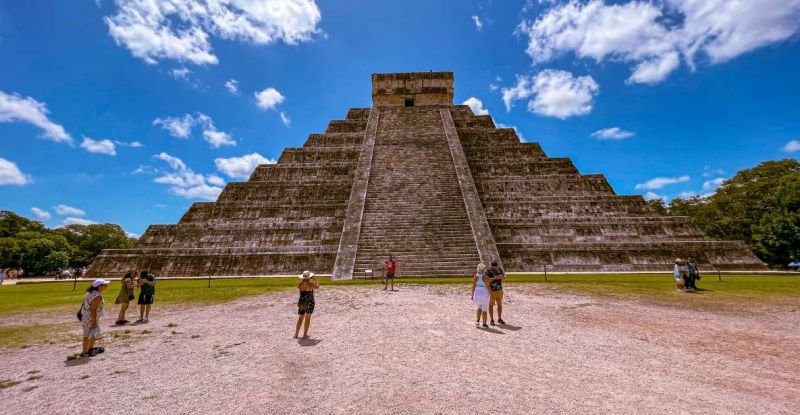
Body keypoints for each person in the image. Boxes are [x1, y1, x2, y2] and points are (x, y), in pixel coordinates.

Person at [80, 279, 110, 357]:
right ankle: (90, 350)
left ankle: (84, 351)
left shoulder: (89, 293)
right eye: (105, 285)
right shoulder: (97, 296)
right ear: (99, 286)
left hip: (85, 317)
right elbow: (93, 310)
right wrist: (94, 322)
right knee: (93, 334)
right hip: (91, 318)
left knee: (86, 334)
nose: (106, 286)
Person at [295, 271, 320, 339]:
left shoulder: (300, 284)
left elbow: (298, 287)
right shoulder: (311, 284)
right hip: (310, 302)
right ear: (309, 277)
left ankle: (296, 334)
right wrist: (315, 279)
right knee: (307, 318)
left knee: (300, 318)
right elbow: (317, 286)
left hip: (302, 302)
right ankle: (304, 334)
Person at [486, 261, 506, 325]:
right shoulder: (488, 271)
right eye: (493, 267)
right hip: (492, 291)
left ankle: (499, 318)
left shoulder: (499, 269)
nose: (494, 268)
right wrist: (493, 278)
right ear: (491, 266)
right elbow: (487, 280)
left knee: (500, 304)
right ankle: (492, 320)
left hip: (499, 290)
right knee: (491, 305)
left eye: (495, 267)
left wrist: (501, 277)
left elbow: (505, 277)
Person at [472, 263, 491, 328]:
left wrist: (472, 295)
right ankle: (484, 323)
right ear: (483, 269)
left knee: (479, 307)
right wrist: (490, 294)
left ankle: (477, 321)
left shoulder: (475, 277)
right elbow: (488, 286)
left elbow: (473, 287)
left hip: (477, 292)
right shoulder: (485, 277)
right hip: (484, 292)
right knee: (484, 308)